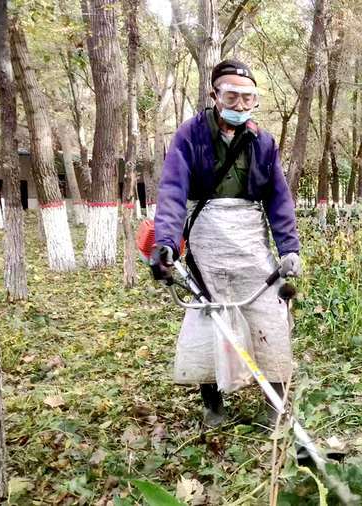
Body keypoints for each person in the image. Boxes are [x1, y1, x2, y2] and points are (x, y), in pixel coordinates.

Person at [149, 59, 301, 428]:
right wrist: (167, 240)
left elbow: (278, 199)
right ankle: (213, 407)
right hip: (206, 238)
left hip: (249, 238)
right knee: (208, 317)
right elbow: (172, 191)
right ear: (214, 95)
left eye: (249, 99)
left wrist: (289, 248)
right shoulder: (190, 135)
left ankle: (274, 406)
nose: (240, 105)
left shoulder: (263, 141)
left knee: (269, 314)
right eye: (232, 96)